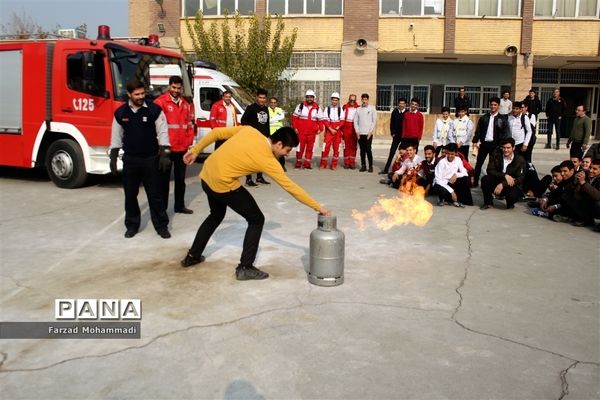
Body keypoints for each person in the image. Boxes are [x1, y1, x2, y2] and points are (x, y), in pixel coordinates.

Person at [180, 126, 331, 280]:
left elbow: (216, 133)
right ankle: (245, 267)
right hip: (222, 184)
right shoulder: (269, 161)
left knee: (216, 214)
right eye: (287, 150)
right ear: (278, 144)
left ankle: (192, 256)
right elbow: (291, 187)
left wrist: (196, 150)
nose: (287, 153)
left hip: (207, 175)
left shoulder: (250, 131)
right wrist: (317, 206)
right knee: (256, 219)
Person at [109, 80, 171, 239]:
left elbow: (163, 132)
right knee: (130, 194)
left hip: (151, 159)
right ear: (129, 95)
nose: (141, 96)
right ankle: (132, 225)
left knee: (155, 195)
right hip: (130, 160)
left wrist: (165, 153)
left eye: (142, 93)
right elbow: (116, 137)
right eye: (137, 94)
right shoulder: (121, 113)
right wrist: (113, 157)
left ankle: (161, 226)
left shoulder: (154, 110)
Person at [154, 75, 195, 215]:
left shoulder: (185, 104)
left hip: (182, 148)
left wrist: (189, 142)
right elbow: (156, 126)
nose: (176, 90)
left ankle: (179, 206)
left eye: (178, 88)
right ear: (169, 86)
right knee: (163, 182)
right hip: (166, 148)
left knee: (180, 180)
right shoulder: (160, 103)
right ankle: (162, 209)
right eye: (173, 87)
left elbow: (189, 125)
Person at [480, 137, 526, 210]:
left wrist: (503, 184)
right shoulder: (496, 155)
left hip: (511, 185)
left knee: (512, 195)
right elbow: (490, 170)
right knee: (485, 179)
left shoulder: (520, 160)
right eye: (504, 148)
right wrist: (505, 175)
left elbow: (520, 178)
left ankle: (510, 204)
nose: (506, 150)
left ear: (513, 148)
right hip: (498, 180)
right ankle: (488, 202)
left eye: (508, 148)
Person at [472, 97, 508, 187]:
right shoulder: (484, 118)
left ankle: (491, 183)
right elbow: (478, 130)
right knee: (479, 163)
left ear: (498, 106)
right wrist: (475, 141)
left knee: (494, 166)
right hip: (484, 144)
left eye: (495, 105)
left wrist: (501, 145)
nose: (493, 106)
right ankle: (475, 181)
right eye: (491, 104)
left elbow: (504, 133)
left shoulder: (502, 119)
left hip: (496, 145)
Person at [241, 88, 271, 186]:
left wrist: (268, 136)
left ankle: (259, 177)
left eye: (264, 98)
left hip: (263, 138)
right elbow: (243, 121)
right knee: (250, 159)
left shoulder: (266, 109)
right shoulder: (251, 108)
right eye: (260, 97)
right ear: (257, 98)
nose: (262, 99)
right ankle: (248, 179)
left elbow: (267, 124)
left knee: (261, 159)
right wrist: (250, 132)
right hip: (252, 138)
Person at [433, 143, 473, 207]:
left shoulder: (458, 160)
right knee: (439, 188)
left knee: (465, 179)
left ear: (456, 153)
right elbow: (438, 180)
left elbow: (465, 172)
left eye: (452, 154)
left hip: (452, 181)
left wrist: (456, 174)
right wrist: (452, 191)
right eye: (448, 153)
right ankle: (447, 199)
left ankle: (457, 200)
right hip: (442, 184)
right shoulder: (442, 162)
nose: (450, 156)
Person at [292, 89, 321, 169]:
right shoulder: (300, 106)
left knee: (310, 149)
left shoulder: (317, 108)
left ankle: (307, 164)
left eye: (311, 97)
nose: (309, 99)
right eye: (308, 97)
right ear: (306, 97)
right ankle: (298, 162)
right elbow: (294, 118)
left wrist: (320, 128)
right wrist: (295, 128)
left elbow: (320, 120)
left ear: (313, 98)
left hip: (312, 133)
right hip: (301, 132)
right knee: (300, 148)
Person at [381, 97, 407, 174]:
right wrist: (392, 133)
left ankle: (402, 170)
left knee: (403, 153)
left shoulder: (407, 113)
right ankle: (386, 169)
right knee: (392, 152)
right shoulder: (395, 111)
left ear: (405, 104)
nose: (401, 105)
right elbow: (391, 123)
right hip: (396, 136)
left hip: (404, 136)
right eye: (400, 103)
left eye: (403, 103)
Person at [319, 92, 343, 170]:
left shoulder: (340, 109)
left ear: (338, 101)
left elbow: (342, 121)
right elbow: (325, 120)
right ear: (331, 100)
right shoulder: (327, 109)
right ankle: (323, 164)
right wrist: (330, 129)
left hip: (337, 132)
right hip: (329, 131)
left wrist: (336, 128)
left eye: (336, 100)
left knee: (337, 149)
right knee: (325, 148)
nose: (334, 102)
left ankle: (334, 165)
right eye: (333, 100)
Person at [354, 93, 377, 172]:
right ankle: (363, 165)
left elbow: (374, 121)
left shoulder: (372, 108)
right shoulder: (358, 109)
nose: (364, 101)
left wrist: (370, 132)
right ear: (361, 100)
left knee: (368, 149)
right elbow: (355, 121)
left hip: (368, 133)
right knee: (362, 150)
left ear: (368, 100)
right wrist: (357, 132)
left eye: (366, 99)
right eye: (363, 99)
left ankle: (370, 166)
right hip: (360, 133)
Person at [341, 94, 359, 169]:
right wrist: (342, 130)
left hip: (354, 127)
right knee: (346, 146)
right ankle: (346, 162)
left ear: (355, 101)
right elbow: (342, 118)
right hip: (346, 127)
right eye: (351, 100)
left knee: (353, 146)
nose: (352, 102)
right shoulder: (344, 107)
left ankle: (352, 162)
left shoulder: (358, 108)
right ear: (349, 100)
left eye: (353, 100)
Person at [268, 97, 286, 170]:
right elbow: (268, 121)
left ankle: (282, 165)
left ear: (276, 103)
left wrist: (272, 119)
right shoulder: (267, 110)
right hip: (271, 132)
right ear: (269, 103)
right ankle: (272, 166)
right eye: (271, 102)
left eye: (274, 102)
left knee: (281, 149)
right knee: (271, 150)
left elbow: (282, 117)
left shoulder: (279, 109)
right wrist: (276, 118)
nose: (273, 104)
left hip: (279, 132)